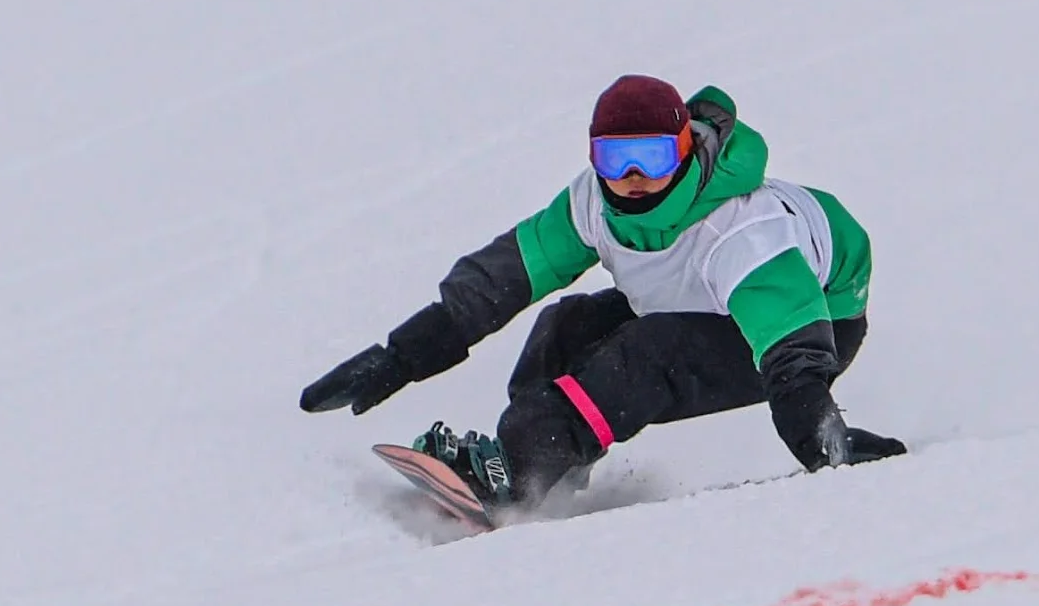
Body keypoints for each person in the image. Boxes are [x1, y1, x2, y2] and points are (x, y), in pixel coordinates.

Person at [300, 75, 905, 513]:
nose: (634, 178)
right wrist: (400, 355)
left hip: (815, 322)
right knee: (566, 330)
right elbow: (499, 282)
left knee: (650, 352)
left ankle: (519, 469)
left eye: (652, 156)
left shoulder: (740, 230)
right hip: (697, 303)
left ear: (686, 150)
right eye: (617, 159)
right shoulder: (593, 203)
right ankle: (544, 472)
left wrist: (824, 442)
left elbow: (792, 349)